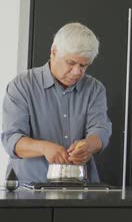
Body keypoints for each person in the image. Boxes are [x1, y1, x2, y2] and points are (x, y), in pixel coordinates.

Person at [1, 23, 112, 184]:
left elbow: (101, 129)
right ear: (54, 51)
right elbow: (12, 139)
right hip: (29, 188)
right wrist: (44, 148)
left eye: (83, 65)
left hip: (81, 187)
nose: (77, 72)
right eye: (71, 62)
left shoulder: (95, 89)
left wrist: (89, 145)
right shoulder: (22, 85)